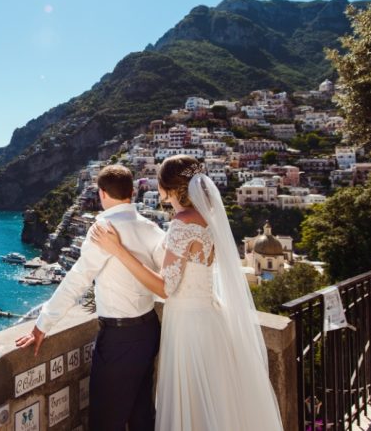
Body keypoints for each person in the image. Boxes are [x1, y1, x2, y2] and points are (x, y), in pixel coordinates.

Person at [89, 155, 282, 431]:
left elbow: (165, 288)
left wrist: (117, 250)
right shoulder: (208, 218)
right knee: (213, 403)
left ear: (168, 187)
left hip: (188, 324)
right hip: (211, 318)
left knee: (191, 403)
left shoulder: (183, 222)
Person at [15, 164, 166, 431]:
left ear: (102, 193)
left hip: (120, 338)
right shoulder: (151, 227)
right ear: (132, 192)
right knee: (142, 412)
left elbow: (77, 281)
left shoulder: (103, 229)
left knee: (105, 420)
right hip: (150, 329)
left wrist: (42, 325)